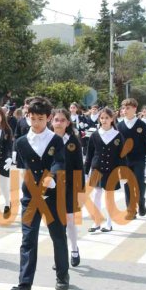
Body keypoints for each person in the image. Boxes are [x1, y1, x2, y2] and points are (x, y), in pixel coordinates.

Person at [8, 97, 68, 290]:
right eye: (32, 119)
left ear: (48, 118)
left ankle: (62, 274)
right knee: (28, 240)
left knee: (57, 235)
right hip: (30, 197)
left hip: (53, 195)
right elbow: (23, 167)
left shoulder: (56, 140)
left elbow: (59, 162)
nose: (36, 123)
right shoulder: (21, 142)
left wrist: (52, 177)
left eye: (40, 119)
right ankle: (24, 286)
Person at [51, 108, 84, 266]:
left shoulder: (73, 141)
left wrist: (80, 190)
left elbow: (79, 166)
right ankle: (60, 256)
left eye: (62, 120)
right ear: (51, 121)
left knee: (69, 220)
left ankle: (74, 249)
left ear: (68, 123)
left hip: (70, 186)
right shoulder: (47, 139)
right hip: (52, 187)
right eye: (56, 119)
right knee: (56, 224)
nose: (59, 123)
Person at [84, 107, 124, 232]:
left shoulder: (118, 135)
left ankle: (109, 223)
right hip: (96, 169)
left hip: (112, 170)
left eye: (107, 118)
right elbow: (89, 155)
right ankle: (96, 222)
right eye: (102, 118)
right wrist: (86, 171)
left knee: (109, 196)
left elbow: (122, 155)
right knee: (96, 194)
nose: (104, 120)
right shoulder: (95, 135)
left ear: (112, 119)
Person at [117, 98, 146, 218]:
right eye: (123, 108)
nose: (125, 110)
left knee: (139, 182)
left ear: (134, 109)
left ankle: (141, 201)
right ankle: (131, 210)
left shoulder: (141, 125)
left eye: (128, 108)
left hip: (139, 159)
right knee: (128, 184)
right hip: (125, 160)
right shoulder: (119, 126)